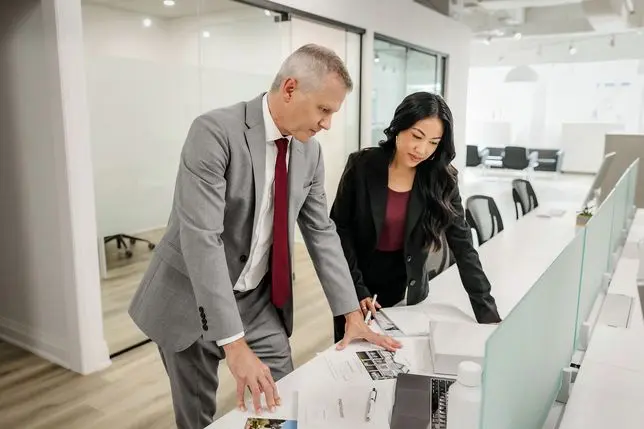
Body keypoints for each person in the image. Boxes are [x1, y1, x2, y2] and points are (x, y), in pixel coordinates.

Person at [128, 44, 400, 429]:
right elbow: (201, 238)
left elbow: (321, 231)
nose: (327, 124)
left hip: (258, 300)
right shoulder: (214, 132)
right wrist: (234, 344)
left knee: (283, 394)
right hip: (191, 297)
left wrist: (351, 314)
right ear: (290, 89)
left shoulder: (310, 153)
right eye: (324, 110)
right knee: (197, 417)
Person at [329, 91, 502, 343]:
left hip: (408, 293)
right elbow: (340, 229)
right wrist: (356, 289)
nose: (422, 150)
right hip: (357, 285)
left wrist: (488, 313)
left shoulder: (442, 179)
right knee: (351, 364)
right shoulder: (362, 166)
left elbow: (463, 245)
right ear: (399, 127)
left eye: (433, 142)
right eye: (417, 136)